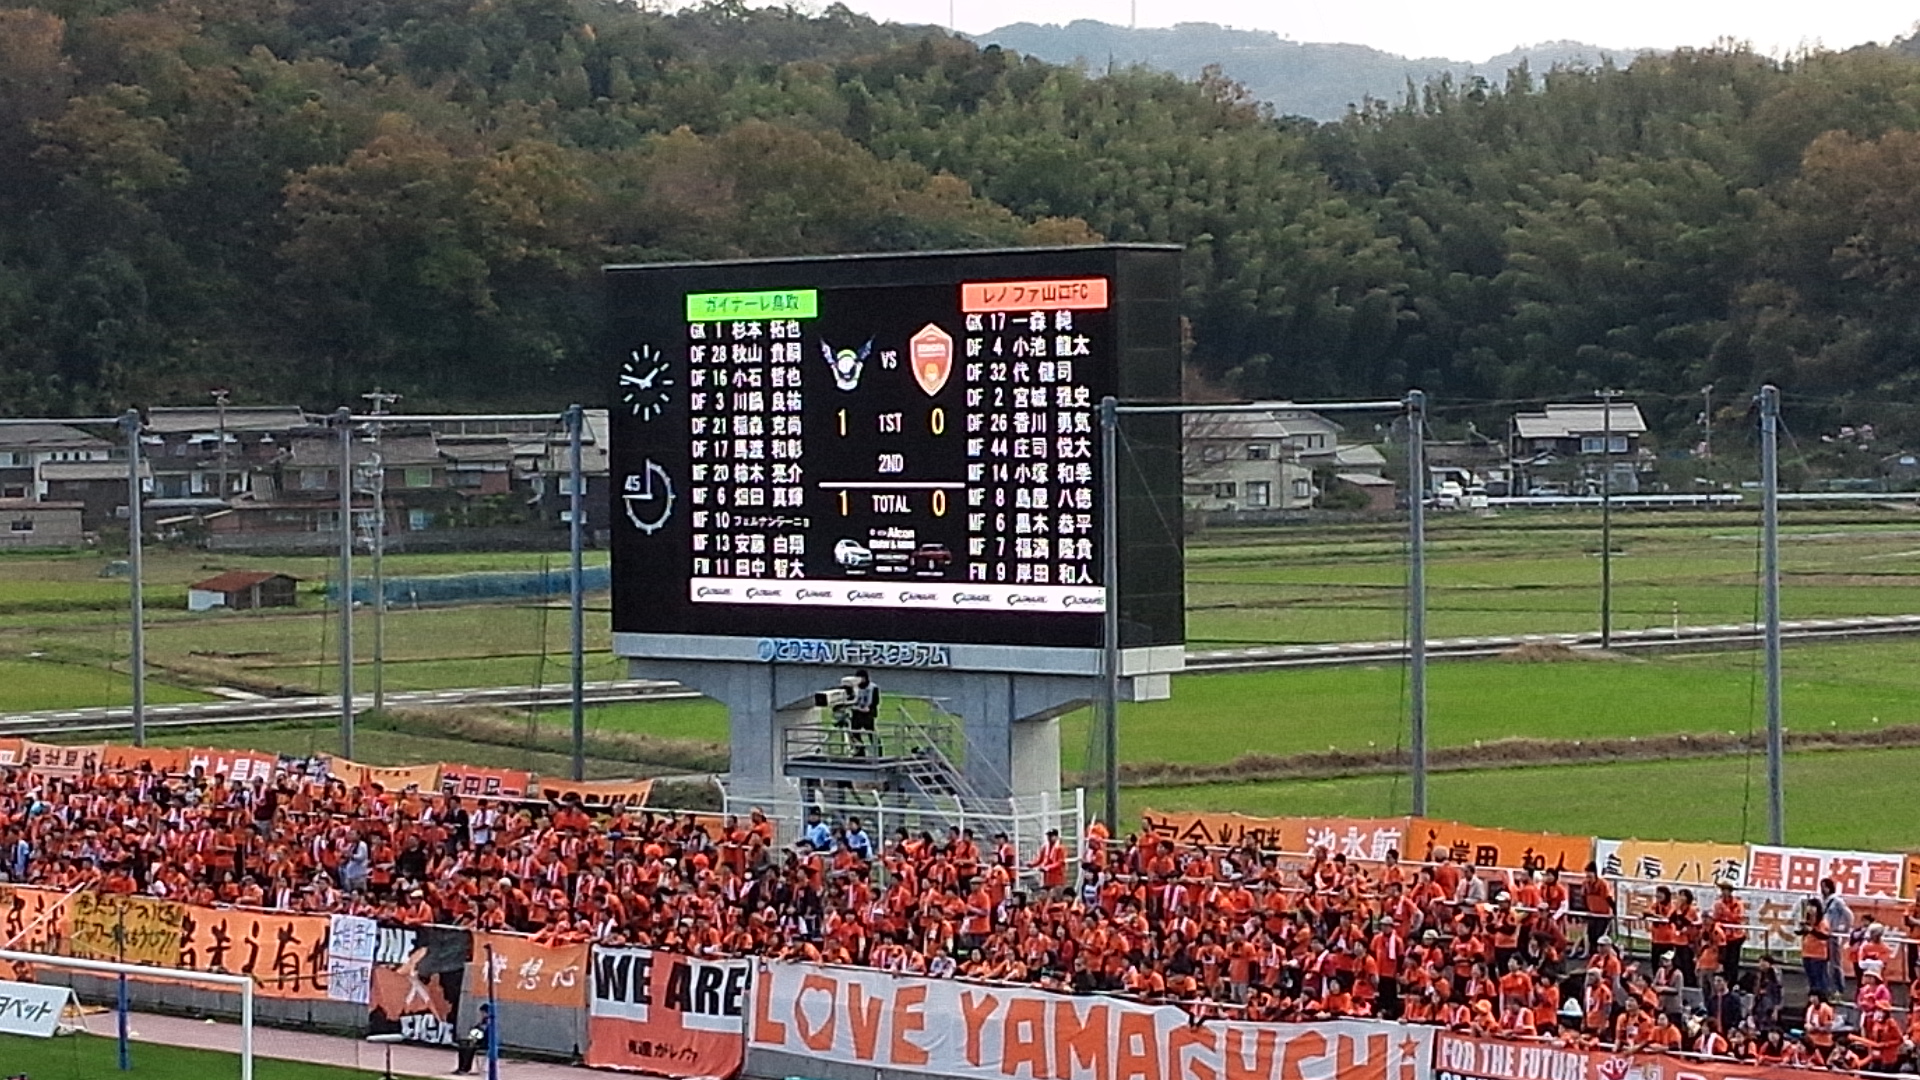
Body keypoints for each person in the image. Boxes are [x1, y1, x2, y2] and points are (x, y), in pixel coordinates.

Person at [454, 1002, 493, 1075]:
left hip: (484, 1042)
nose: (481, 1014)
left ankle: (466, 1068)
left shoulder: (490, 1022)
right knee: (462, 1046)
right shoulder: (482, 1021)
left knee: (470, 1048)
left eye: (483, 1013)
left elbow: (485, 1034)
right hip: (477, 1040)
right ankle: (460, 1067)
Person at [848, 669, 878, 757]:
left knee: (871, 734)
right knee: (854, 733)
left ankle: (878, 752)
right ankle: (860, 751)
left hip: (868, 713)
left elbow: (875, 701)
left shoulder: (873, 687)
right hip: (857, 713)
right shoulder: (854, 688)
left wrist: (869, 708)